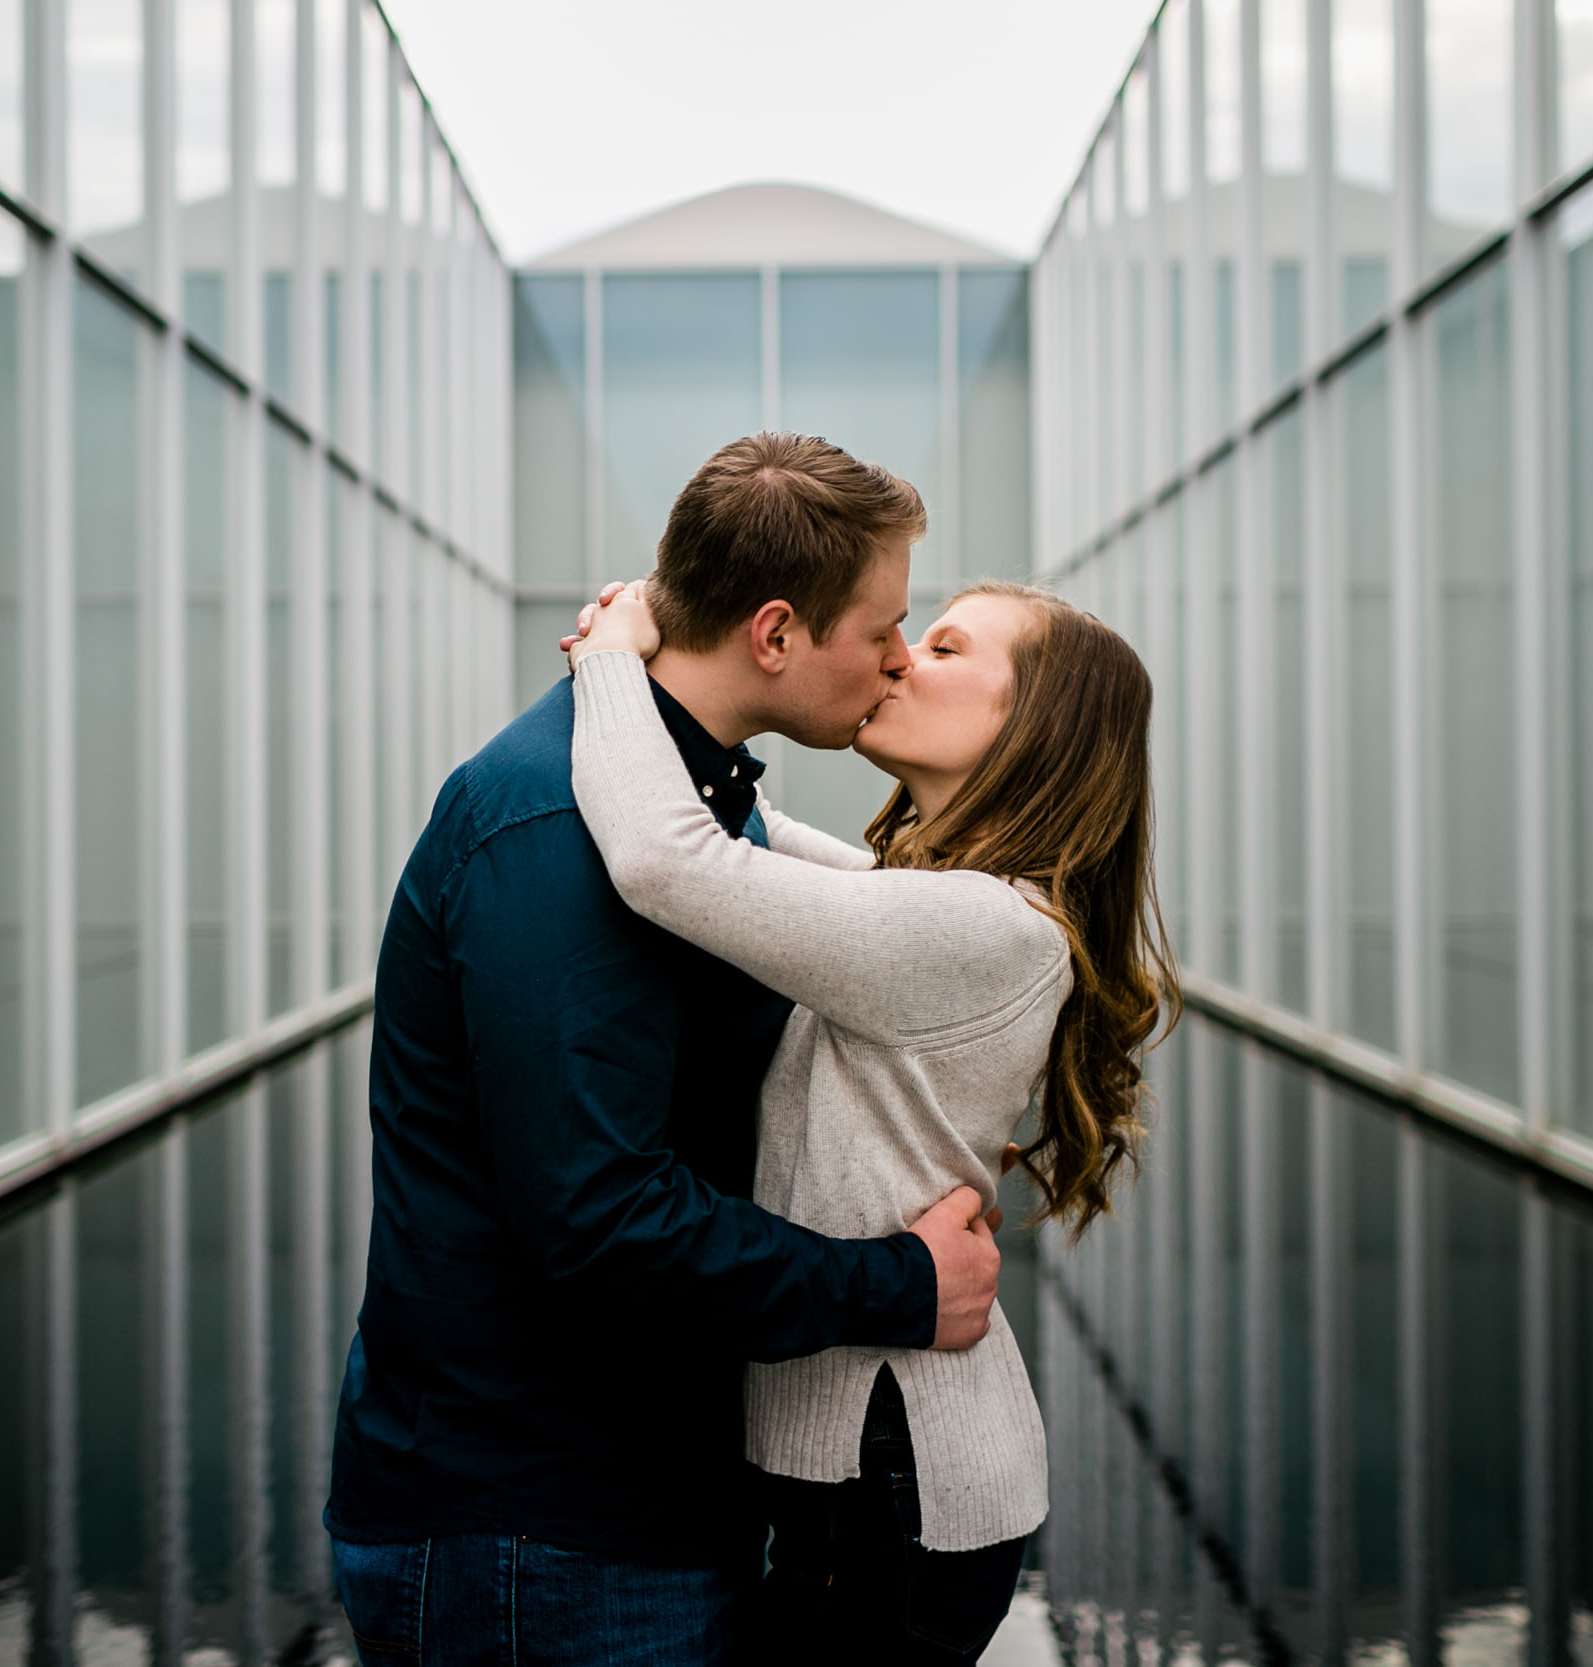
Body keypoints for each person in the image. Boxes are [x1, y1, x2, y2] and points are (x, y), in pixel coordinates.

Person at [324, 432, 1005, 1667]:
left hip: (624, 1510)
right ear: (777, 634)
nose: (900, 658)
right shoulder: (552, 830)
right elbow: (597, 1214)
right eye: (884, 627)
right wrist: (899, 1284)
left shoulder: (698, 794)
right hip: (535, 1537)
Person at [562, 565, 1178, 1664]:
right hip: (874, 1461)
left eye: (944, 649)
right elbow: (752, 833)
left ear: (1032, 727)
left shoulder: (982, 929)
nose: (898, 657)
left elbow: (668, 859)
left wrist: (611, 660)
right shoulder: (940, 899)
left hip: (895, 1468)